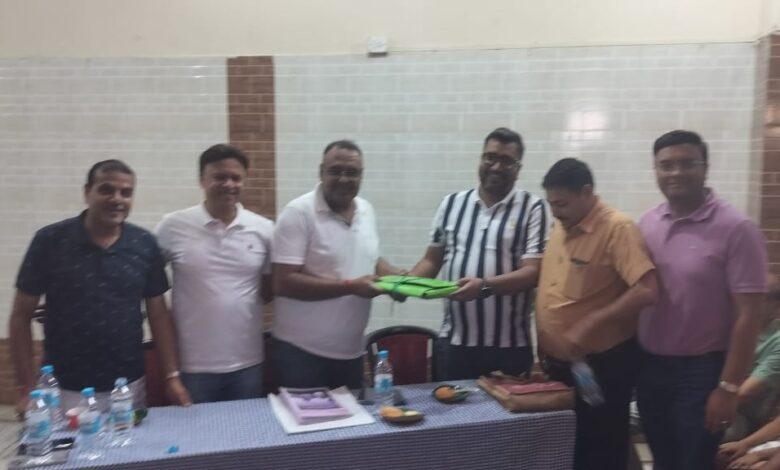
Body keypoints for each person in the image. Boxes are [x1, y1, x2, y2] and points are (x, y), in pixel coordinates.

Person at [9, 160, 190, 414]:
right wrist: (27, 388)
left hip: (128, 387)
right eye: (106, 190)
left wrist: (171, 375)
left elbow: (159, 315)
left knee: (131, 442)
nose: (117, 199)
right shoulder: (49, 241)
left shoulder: (144, 244)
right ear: (87, 192)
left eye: (126, 193)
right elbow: (20, 316)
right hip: (65, 389)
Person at [637, 130, 769, 470]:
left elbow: (749, 315)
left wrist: (729, 387)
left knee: (693, 462)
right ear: (656, 170)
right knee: (664, 460)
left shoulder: (737, 228)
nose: (676, 172)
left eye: (687, 163)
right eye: (666, 165)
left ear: (705, 168)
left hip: (701, 372)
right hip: (650, 366)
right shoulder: (647, 223)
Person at [536, 157, 658, 470]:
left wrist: (592, 322)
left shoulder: (617, 228)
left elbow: (647, 290)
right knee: (567, 450)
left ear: (586, 192)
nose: (555, 212)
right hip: (561, 367)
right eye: (551, 204)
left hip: (601, 367)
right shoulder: (563, 225)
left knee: (600, 451)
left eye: (561, 204)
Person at [409, 127, 549, 380]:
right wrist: (403, 284)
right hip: (455, 344)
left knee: (506, 408)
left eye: (506, 161)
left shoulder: (533, 207)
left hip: (509, 347)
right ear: (481, 159)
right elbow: (431, 260)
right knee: (451, 406)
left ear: (518, 168)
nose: (496, 166)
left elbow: (533, 272)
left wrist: (484, 286)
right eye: (490, 157)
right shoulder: (451, 204)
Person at [271, 140, 402, 390]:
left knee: (353, 417)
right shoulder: (298, 213)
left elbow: (370, 258)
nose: (343, 179)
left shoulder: (366, 210)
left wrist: (396, 279)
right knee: (305, 418)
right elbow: (283, 282)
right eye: (335, 171)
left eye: (352, 172)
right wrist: (350, 286)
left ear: (361, 176)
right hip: (301, 355)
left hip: (351, 353)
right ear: (321, 172)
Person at [155, 144, 273, 403]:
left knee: (247, 429)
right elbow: (147, 284)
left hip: (248, 363)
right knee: (196, 430)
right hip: (193, 367)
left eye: (236, 177)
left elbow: (268, 290)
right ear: (202, 180)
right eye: (219, 177)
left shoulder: (264, 230)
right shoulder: (172, 226)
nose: (229, 184)